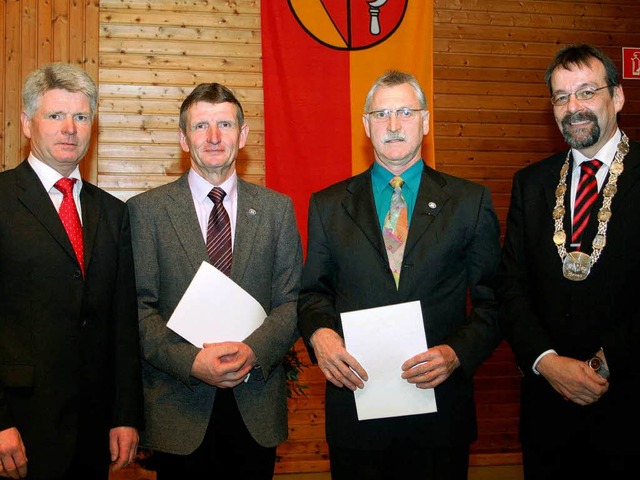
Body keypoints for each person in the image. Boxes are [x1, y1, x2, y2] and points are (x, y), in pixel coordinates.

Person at [297, 70, 502, 479]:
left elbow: (493, 302)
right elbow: (312, 295)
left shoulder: (469, 201)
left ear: (425, 122)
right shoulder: (327, 205)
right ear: (366, 125)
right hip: (358, 411)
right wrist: (320, 335)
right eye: (382, 114)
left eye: (405, 112)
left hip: (440, 414)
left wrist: (455, 353)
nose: (393, 125)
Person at [127, 82, 302, 479]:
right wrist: (192, 362)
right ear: (184, 139)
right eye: (201, 126)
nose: (213, 137)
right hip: (178, 407)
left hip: (255, 404)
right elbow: (138, 308)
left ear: (242, 136)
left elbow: (291, 302)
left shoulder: (278, 210)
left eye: (224, 124)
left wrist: (253, 351)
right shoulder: (146, 212)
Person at [497, 43, 640, 479]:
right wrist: (546, 361)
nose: (573, 107)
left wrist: (604, 362)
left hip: (630, 408)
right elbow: (510, 286)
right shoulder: (531, 184)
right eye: (561, 97)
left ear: (616, 97)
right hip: (547, 412)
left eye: (585, 92)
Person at [0, 63, 143, 479]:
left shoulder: (113, 213)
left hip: (93, 432)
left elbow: (123, 325)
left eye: (81, 117)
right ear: (28, 124)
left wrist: (125, 414)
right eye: (56, 115)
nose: (70, 129)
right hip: (18, 429)